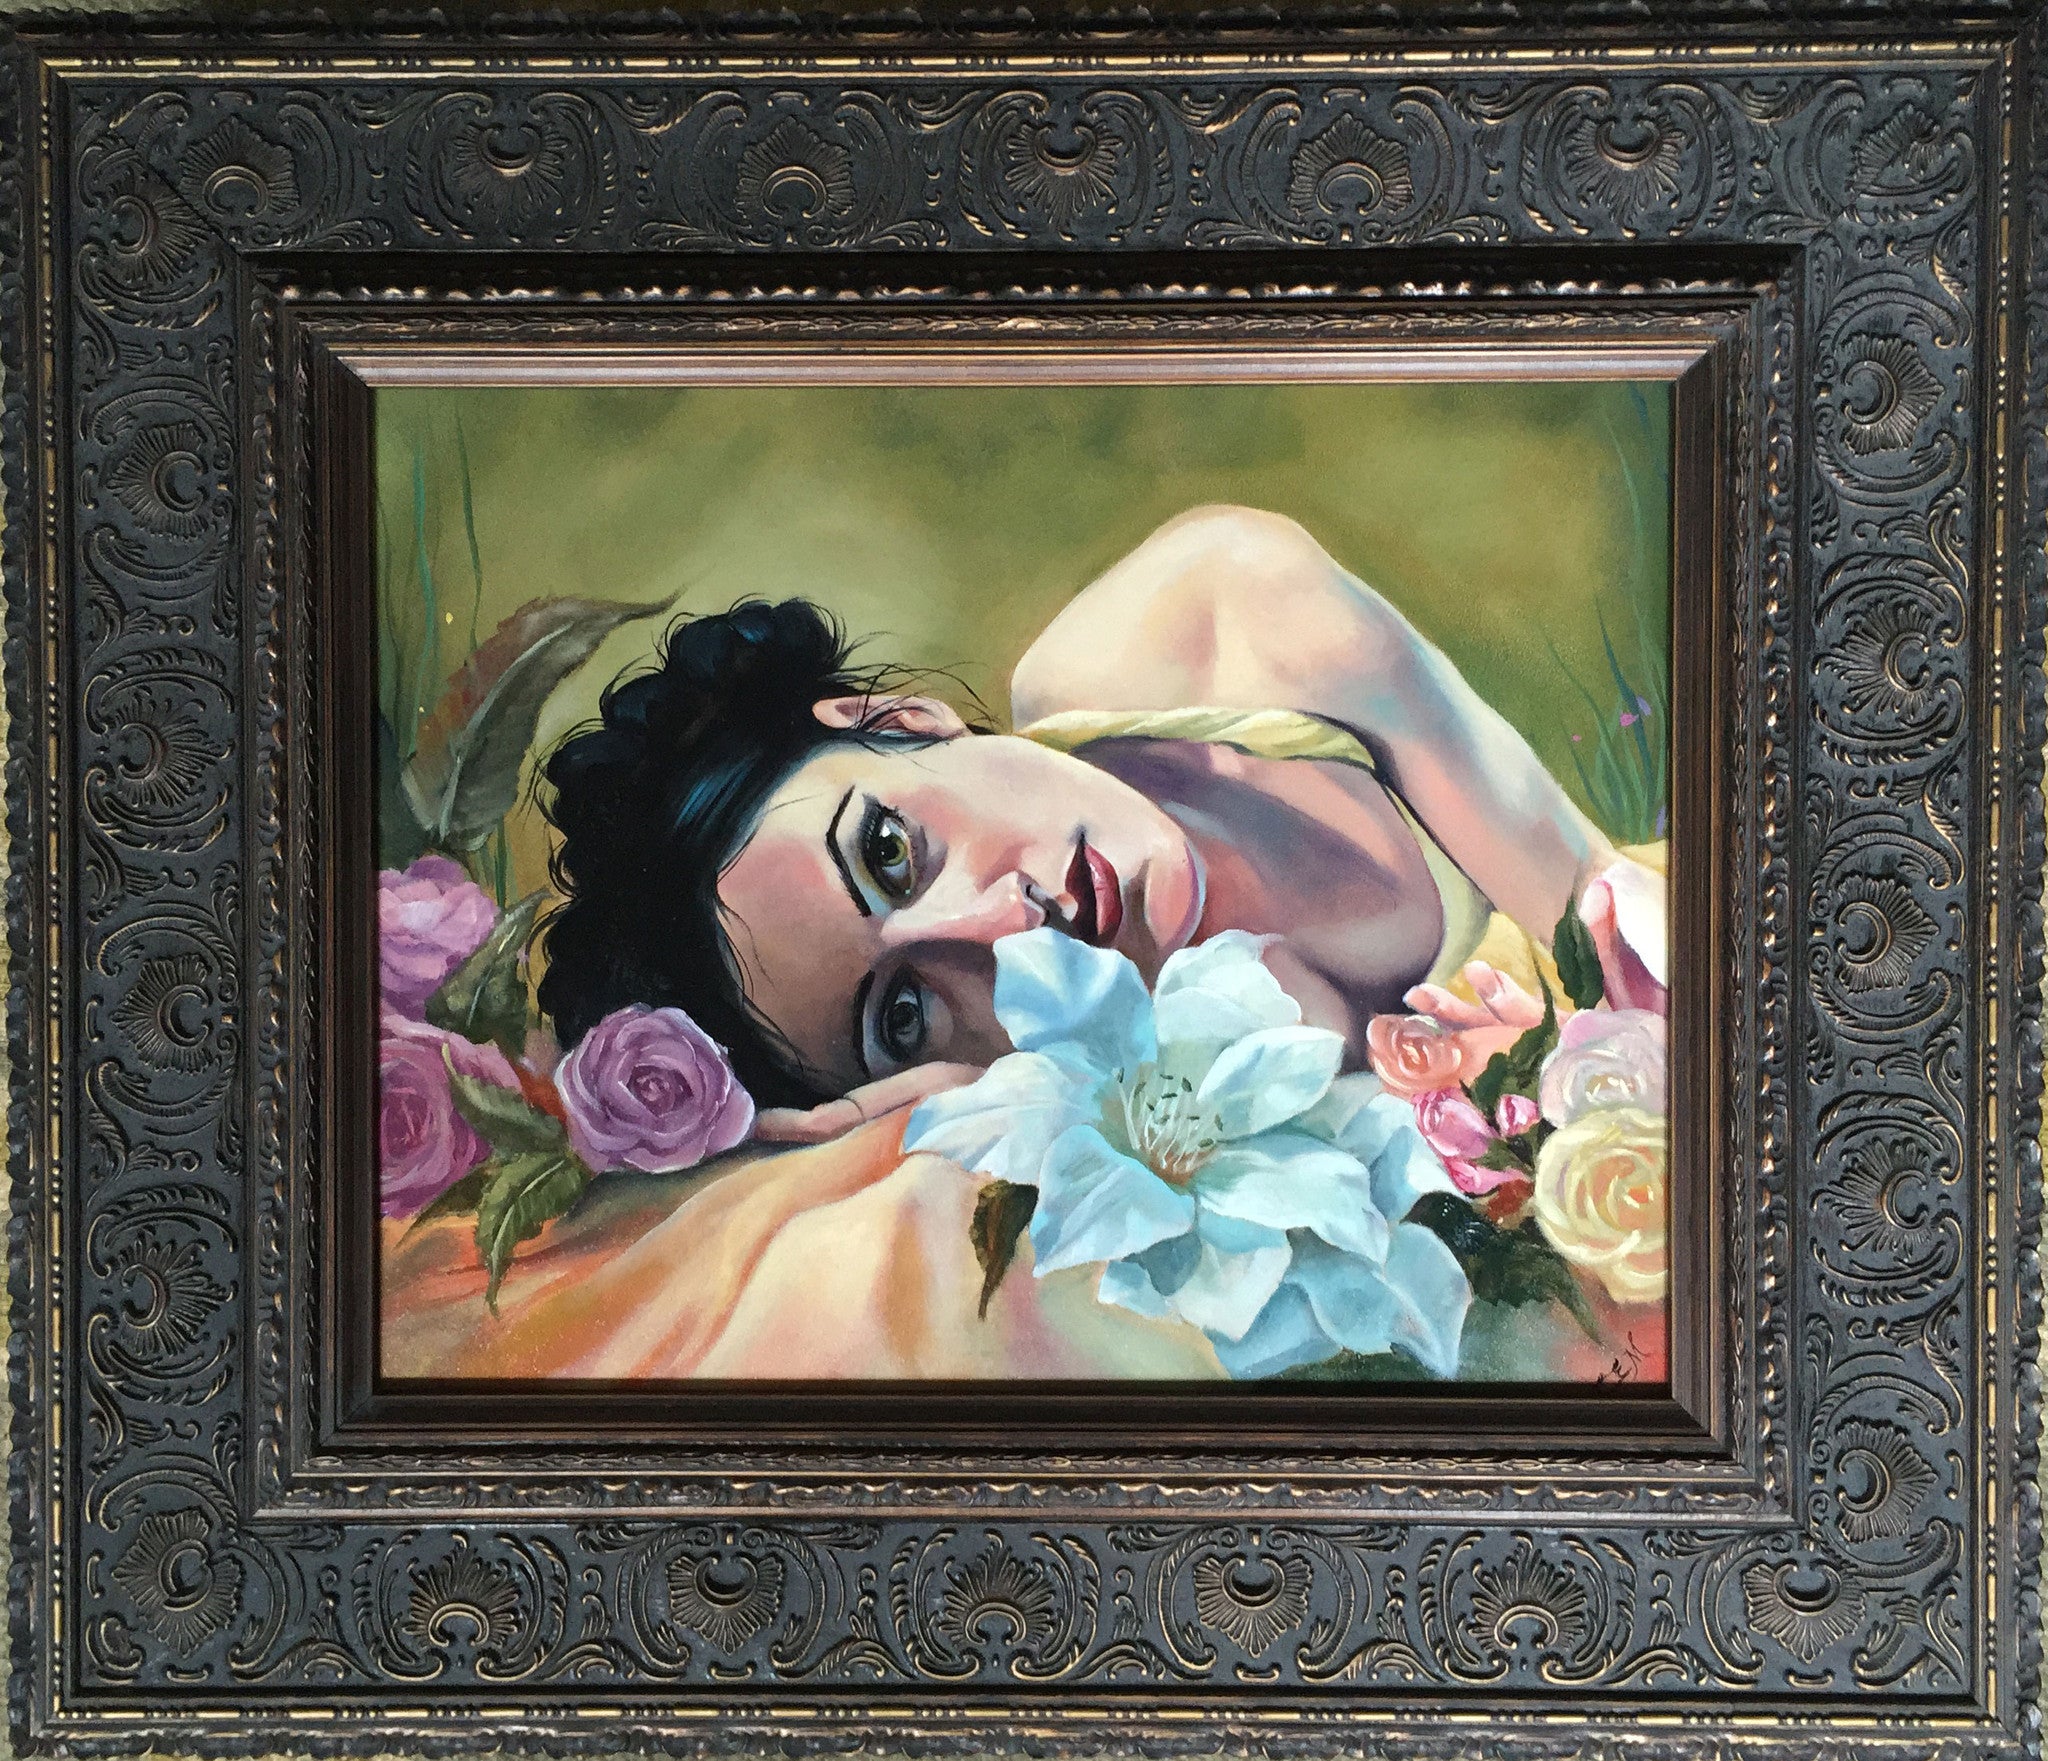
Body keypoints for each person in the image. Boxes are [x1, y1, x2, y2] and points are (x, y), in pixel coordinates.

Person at [537, 504, 1627, 1144]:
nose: (1003, 930)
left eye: (892, 853)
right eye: (904, 1015)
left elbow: (1611, 925)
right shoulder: (1118, 1116)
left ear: (902, 721)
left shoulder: (1211, 621)